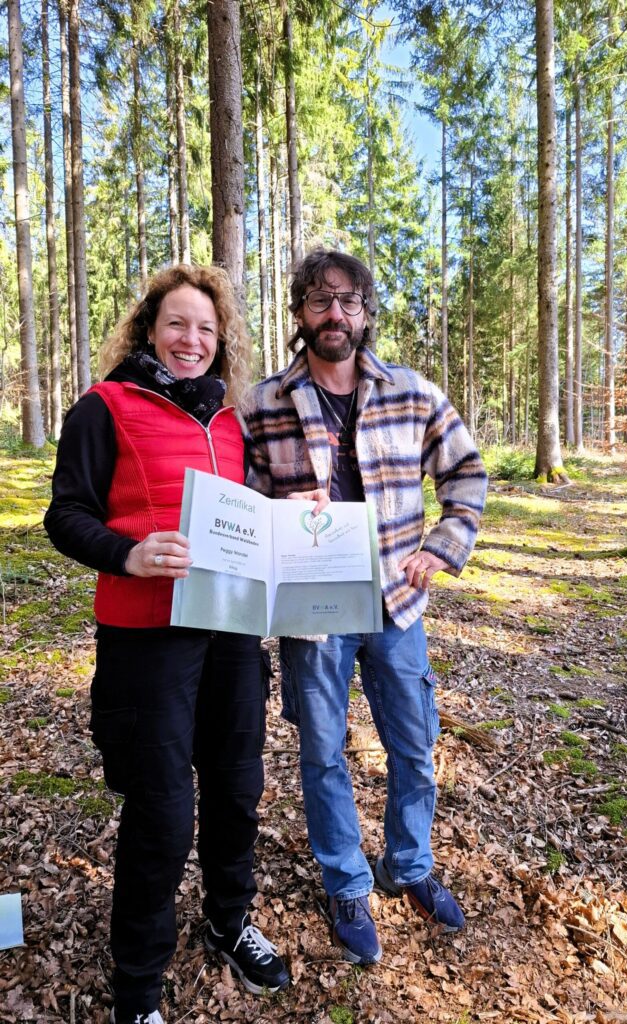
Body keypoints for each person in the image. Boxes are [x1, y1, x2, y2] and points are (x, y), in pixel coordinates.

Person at [44, 266, 290, 1024]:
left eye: (207, 329)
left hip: (232, 635)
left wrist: (298, 525)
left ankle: (228, 920)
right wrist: (129, 553)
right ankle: (138, 987)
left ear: (222, 342)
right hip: (147, 638)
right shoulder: (105, 406)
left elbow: (254, 518)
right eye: (178, 324)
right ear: (149, 328)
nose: (192, 340)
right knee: (161, 810)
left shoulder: (233, 420)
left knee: (236, 788)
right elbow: (65, 514)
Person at [241, 248, 488, 965]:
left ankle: (408, 864)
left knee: (413, 743)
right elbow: (242, 504)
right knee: (323, 753)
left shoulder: (411, 392)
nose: (335, 314)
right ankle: (346, 883)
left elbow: (466, 474)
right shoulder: (263, 404)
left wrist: (442, 548)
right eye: (320, 301)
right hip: (313, 609)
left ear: (365, 313)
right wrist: (282, 509)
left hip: (398, 600)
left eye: (348, 301)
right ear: (299, 313)